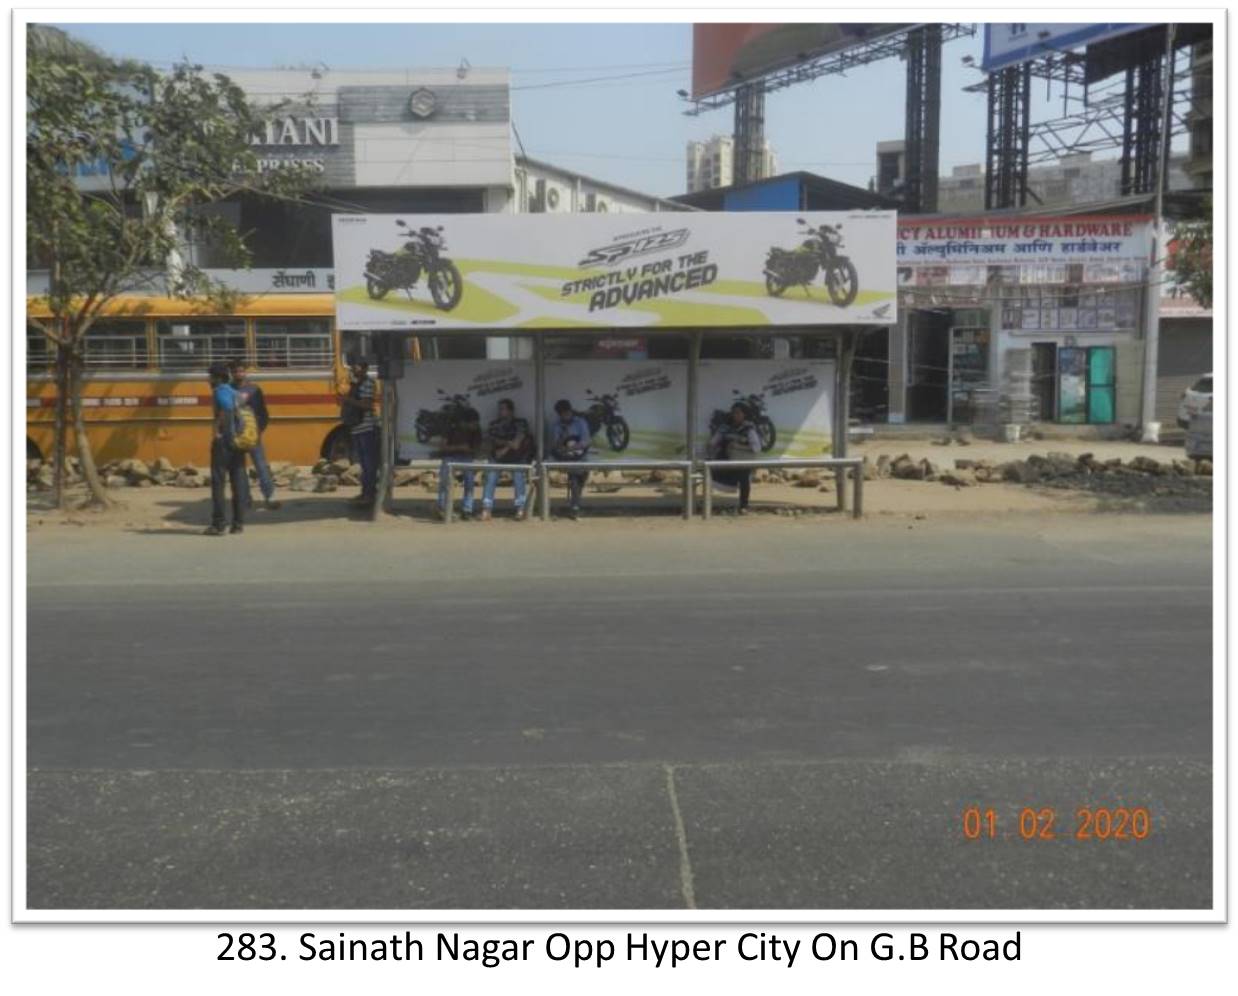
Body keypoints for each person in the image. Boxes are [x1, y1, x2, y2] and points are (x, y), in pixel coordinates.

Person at [228, 359, 280, 511]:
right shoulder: (228, 390)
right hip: (235, 435)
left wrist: (258, 430)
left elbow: (263, 413)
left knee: (261, 466)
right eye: (236, 371)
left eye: (241, 371)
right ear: (232, 373)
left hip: (252, 435)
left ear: (245, 372)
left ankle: (269, 497)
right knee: (239, 468)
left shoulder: (254, 390)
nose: (239, 374)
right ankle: (245, 499)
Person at [205, 361, 248, 536]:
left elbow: (226, 409)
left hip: (225, 442)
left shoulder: (220, 391)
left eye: (210, 377)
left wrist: (218, 432)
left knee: (218, 482)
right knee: (237, 482)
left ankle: (218, 524)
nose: (208, 380)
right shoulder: (235, 392)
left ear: (218, 378)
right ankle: (238, 524)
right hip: (238, 441)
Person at [480, 398, 531, 521]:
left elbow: (517, 443)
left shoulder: (521, 423)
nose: (500, 411)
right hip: (497, 458)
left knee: (519, 477)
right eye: (500, 409)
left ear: (511, 411)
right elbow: (491, 440)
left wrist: (503, 449)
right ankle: (486, 509)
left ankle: (520, 509)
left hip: (516, 457)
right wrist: (508, 443)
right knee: (490, 476)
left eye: (503, 409)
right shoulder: (494, 424)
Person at [709, 402, 763, 515]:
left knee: (744, 480)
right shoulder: (725, 427)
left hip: (743, 461)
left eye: (739, 413)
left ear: (744, 414)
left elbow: (756, 448)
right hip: (726, 459)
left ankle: (744, 505)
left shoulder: (749, 429)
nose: (736, 415)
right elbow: (713, 442)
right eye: (734, 413)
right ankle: (707, 505)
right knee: (709, 473)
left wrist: (739, 443)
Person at [339, 357, 378, 506]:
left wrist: (348, 401)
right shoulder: (355, 384)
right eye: (353, 367)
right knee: (363, 464)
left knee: (369, 465)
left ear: (364, 369)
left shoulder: (368, 383)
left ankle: (370, 495)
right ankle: (365, 493)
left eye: (357, 367)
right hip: (357, 428)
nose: (354, 370)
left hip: (367, 428)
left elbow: (368, 405)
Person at [434, 406, 483, 520]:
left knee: (470, 482)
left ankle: (467, 510)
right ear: (464, 422)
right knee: (445, 481)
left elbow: (476, 448)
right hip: (450, 457)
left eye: (476, 424)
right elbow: (442, 447)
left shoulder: (476, 428)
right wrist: (459, 447)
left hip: (467, 457)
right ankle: (443, 508)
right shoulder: (451, 427)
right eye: (472, 424)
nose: (475, 426)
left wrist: (469, 450)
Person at [549, 398, 591, 520]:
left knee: (579, 475)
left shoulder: (580, 422)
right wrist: (563, 439)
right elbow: (556, 446)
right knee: (575, 475)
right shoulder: (557, 426)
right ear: (559, 414)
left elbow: (586, 440)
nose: (566, 415)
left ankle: (575, 504)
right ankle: (575, 507)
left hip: (580, 455)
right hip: (564, 457)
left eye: (567, 412)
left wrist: (573, 448)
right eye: (563, 414)